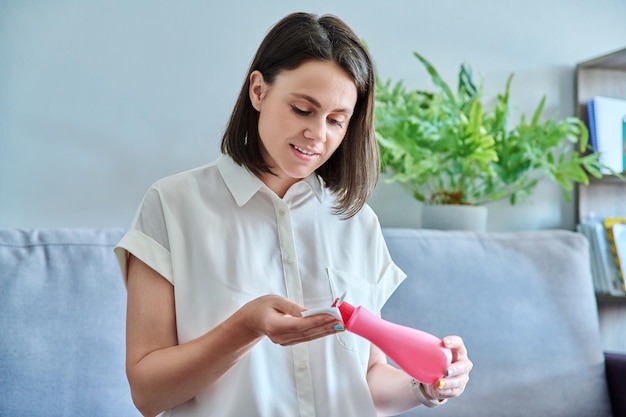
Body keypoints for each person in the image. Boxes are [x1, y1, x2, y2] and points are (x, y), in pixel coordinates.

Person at [115, 11, 472, 417]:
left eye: (337, 121)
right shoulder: (172, 205)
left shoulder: (358, 223)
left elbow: (368, 380)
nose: (318, 135)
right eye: (303, 109)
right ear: (258, 91)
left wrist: (424, 386)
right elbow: (148, 394)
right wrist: (245, 327)